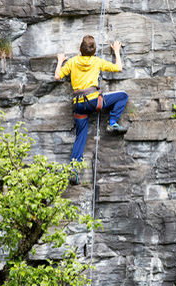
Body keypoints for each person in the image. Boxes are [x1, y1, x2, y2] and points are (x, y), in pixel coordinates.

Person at [54, 35, 129, 184]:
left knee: (80, 136)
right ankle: (112, 122)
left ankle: (74, 171)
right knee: (123, 96)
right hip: (95, 102)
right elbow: (118, 68)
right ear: (94, 51)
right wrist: (116, 51)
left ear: (80, 49)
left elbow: (57, 76)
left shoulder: (73, 61)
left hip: (79, 105)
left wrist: (60, 61)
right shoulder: (97, 61)